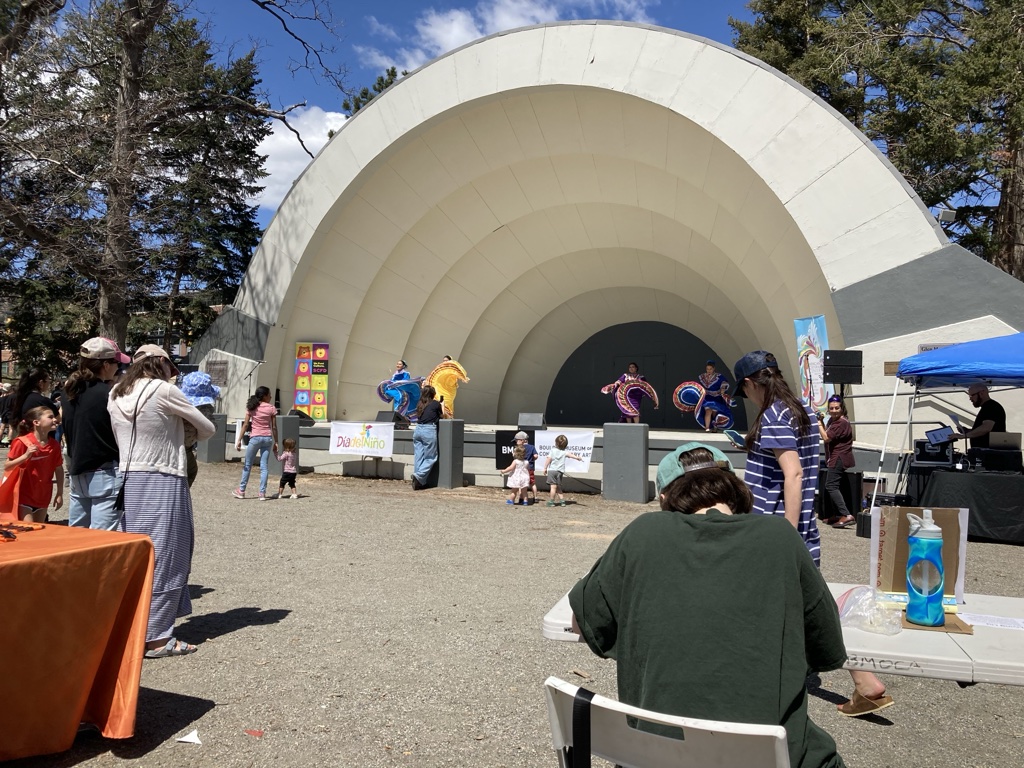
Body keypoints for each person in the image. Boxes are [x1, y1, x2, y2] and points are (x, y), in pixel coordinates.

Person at [569, 443, 848, 768]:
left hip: (654, 757)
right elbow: (826, 647)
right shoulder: (780, 537)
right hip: (768, 758)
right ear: (733, 488)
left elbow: (583, 622)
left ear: (664, 498)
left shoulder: (644, 533)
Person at [733, 350, 893, 717]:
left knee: (772, 603)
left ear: (749, 383)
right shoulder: (801, 411)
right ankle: (864, 682)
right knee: (810, 605)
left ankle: (756, 681)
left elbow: (793, 474)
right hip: (803, 527)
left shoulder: (773, 414)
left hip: (776, 529)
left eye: (745, 392)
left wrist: (785, 534)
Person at [108, 344, 214, 658]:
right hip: (163, 476)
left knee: (137, 556)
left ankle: (134, 626)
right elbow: (207, 428)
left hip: (128, 479)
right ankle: (157, 637)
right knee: (169, 554)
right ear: (161, 364)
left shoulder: (115, 393)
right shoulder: (163, 390)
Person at [62, 337, 132, 529]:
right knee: (101, 540)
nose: (118, 367)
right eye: (116, 362)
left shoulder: (69, 391)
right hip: (105, 470)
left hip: (77, 470)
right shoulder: (109, 394)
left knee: (76, 537)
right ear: (106, 364)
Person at [5, 406, 64, 522]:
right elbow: (7, 466)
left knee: (38, 532)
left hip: (43, 495)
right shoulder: (22, 442)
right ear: (36, 422)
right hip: (24, 496)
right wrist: (25, 456)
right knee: (28, 531)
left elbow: (59, 469)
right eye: (50, 417)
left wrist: (60, 493)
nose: (55, 419)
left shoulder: (54, 445)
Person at [817, 394, 856, 529]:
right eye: (831, 408)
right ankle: (838, 514)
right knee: (833, 486)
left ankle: (847, 515)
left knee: (831, 486)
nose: (834, 411)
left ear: (842, 408)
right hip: (833, 457)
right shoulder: (833, 421)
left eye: (837, 408)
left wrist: (817, 423)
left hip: (839, 457)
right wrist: (822, 421)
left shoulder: (841, 422)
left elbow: (826, 437)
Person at [233, 386, 278, 500]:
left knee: (248, 465)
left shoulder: (252, 407)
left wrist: (239, 439)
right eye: (269, 395)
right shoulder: (271, 408)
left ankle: (242, 490)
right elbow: (274, 427)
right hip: (267, 438)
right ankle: (262, 493)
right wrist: (276, 441)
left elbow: (245, 425)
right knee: (264, 467)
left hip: (255, 438)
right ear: (264, 396)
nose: (271, 396)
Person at [179, 371, 220, 488]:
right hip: (186, 447)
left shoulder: (177, 403)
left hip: (173, 443)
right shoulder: (204, 408)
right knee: (191, 471)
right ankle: (183, 497)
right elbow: (210, 428)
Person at [954, 384, 1006, 448]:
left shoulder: (991, 407)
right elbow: (988, 430)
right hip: (984, 453)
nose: (970, 399)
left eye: (972, 395)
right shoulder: (987, 407)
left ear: (981, 393)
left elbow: (986, 428)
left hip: (990, 454)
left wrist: (964, 436)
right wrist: (969, 431)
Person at [412, 384, 443, 489]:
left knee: (419, 456)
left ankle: (419, 482)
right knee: (431, 457)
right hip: (428, 430)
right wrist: (441, 405)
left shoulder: (420, 404)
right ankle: (418, 476)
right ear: (433, 394)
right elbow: (442, 416)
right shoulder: (435, 404)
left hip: (418, 430)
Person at [543, 434, 582, 506]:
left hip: (552, 471)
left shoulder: (553, 450)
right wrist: (577, 458)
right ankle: (562, 501)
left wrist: (545, 468)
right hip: (560, 471)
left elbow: (549, 459)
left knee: (553, 487)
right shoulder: (564, 452)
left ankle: (551, 501)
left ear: (556, 443)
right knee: (558, 486)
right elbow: (571, 455)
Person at [696, 359, 734, 431]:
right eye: (707, 369)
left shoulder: (719, 376)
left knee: (714, 412)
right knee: (708, 411)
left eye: (710, 369)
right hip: (707, 397)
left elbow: (724, 383)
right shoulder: (703, 376)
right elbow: (700, 386)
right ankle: (707, 427)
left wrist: (722, 389)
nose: (709, 370)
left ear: (714, 369)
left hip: (716, 398)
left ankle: (714, 426)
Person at [512, 430, 539, 503]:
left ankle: (521, 498)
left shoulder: (519, 448)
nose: (516, 442)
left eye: (516, 440)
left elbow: (514, 456)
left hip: (521, 469)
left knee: (522, 484)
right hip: (530, 467)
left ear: (521, 440)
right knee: (532, 483)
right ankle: (535, 497)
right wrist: (533, 459)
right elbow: (536, 456)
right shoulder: (532, 447)